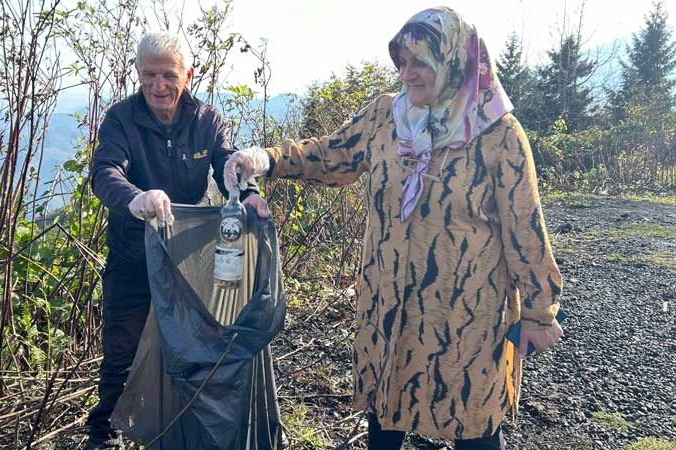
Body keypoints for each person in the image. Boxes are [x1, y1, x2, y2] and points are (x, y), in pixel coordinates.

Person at [224, 7, 563, 450]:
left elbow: (526, 228)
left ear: (454, 61)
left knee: (473, 421)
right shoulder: (386, 117)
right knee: (386, 411)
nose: (408, 74)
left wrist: (540, 312)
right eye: (402, 62)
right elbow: (331, 155)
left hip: (465, 319)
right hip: (389, 307)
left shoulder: (498, 133)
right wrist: (267, 159)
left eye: (420, 62)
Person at [87, 31, 268, 450]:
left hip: (187, 258)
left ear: (187, 73)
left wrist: (249, 190)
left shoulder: (206, 120)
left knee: (189, 344)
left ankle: (179, 427)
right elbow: (105, 172)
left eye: (168, 74)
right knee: (121, 352)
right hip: (132, 254)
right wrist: (136, 198)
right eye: (149, 74)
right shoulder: (120, 119)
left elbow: (228, 164)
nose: (159, 85)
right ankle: (104, 433)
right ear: (137, 72)